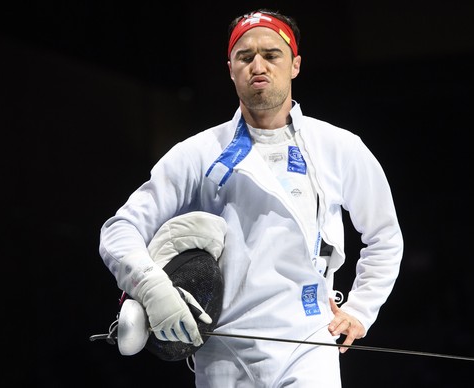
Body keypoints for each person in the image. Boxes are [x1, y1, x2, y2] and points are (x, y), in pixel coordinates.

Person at [98, 8, 404, 387]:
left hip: (309, 343)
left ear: (294, 64)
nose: (258, 65)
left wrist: (361, 309)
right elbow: (119, 230)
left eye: (271, 54)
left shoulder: (338, 147)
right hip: (223, 351)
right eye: (245, 57)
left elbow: (385, 237)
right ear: (231, 69)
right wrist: (150, 285)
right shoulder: (197, 153)